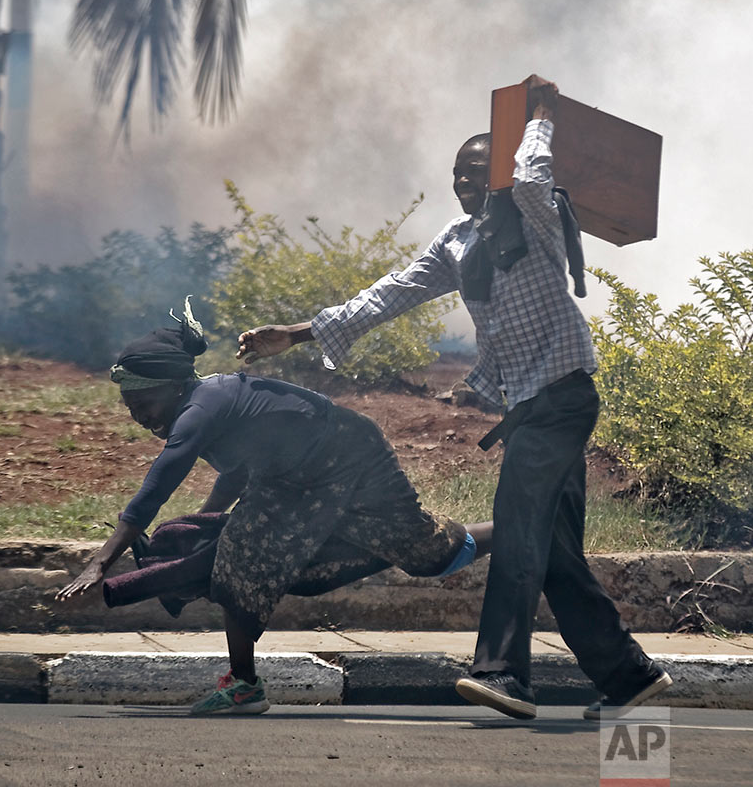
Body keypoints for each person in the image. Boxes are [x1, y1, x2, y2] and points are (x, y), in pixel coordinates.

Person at [238, 76, 670, 722]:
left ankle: (502, 673)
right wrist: (295, 334)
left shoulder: (536, 212)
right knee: (553, 550)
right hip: (528, 407)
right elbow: (393, 292)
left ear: (496, 171)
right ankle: (626, 675)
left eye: (477, 172)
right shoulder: (458, 239)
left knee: (520, 535)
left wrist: (542, 116)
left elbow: (530, 175)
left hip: (562, 398)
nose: (466, 184)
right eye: (457, 175)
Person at [57, 300, 492, 716]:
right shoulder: (201, 405)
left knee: (431, 555)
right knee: (239, 554)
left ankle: (520, 527)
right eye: (131, 409)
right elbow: (239, 469)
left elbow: (155, 489)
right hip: (293, 480)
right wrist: (205, 523)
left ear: (172, 387)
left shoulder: (198, 411)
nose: (139, 417)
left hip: (350, 458)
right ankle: (243, 685)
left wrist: (101, 562)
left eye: (144, 405)